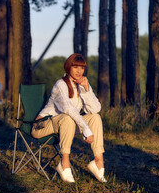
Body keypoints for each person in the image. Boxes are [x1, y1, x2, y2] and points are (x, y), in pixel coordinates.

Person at [31, 53, 106, 183]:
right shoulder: (60, 84)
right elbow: (69, 109)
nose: (79, 71)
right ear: (68, 67)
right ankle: (64, 163)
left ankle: (98, 162)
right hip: (42, 126)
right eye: (75, 67)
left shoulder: (82, 84)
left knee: (95, 117)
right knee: (67, 117)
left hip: (65, 126)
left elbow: (95, 109)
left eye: (82, 68)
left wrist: (86, 89)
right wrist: (86, 130)